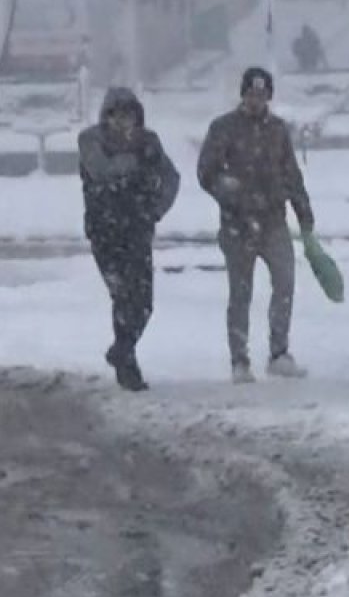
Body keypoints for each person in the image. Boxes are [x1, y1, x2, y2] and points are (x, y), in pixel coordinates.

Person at [198, 67, 314, 384]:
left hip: (273, 220)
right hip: (238, 223)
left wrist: (303, 210)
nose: (256, 100)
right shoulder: (223, 129)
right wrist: (228, 189)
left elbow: (291, 172)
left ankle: (279, 352)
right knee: (241, 291)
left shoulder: (277, 130)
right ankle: (239, 359)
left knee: (285, 282)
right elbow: (206, 173)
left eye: (262, 95)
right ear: (243, 95)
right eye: (251, 94)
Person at [78, 87, 180, 392]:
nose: (124, 122)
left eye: (130, 116)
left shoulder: (149, 141)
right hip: (105, 230)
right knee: (122, 295)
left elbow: (171, 178)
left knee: (143, 302)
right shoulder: (91, 141)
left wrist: (155, 210)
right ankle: (127, 361)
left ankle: (122, 349)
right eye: (117, 116)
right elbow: (101, 171)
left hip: (137, 228)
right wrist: (136, 161)